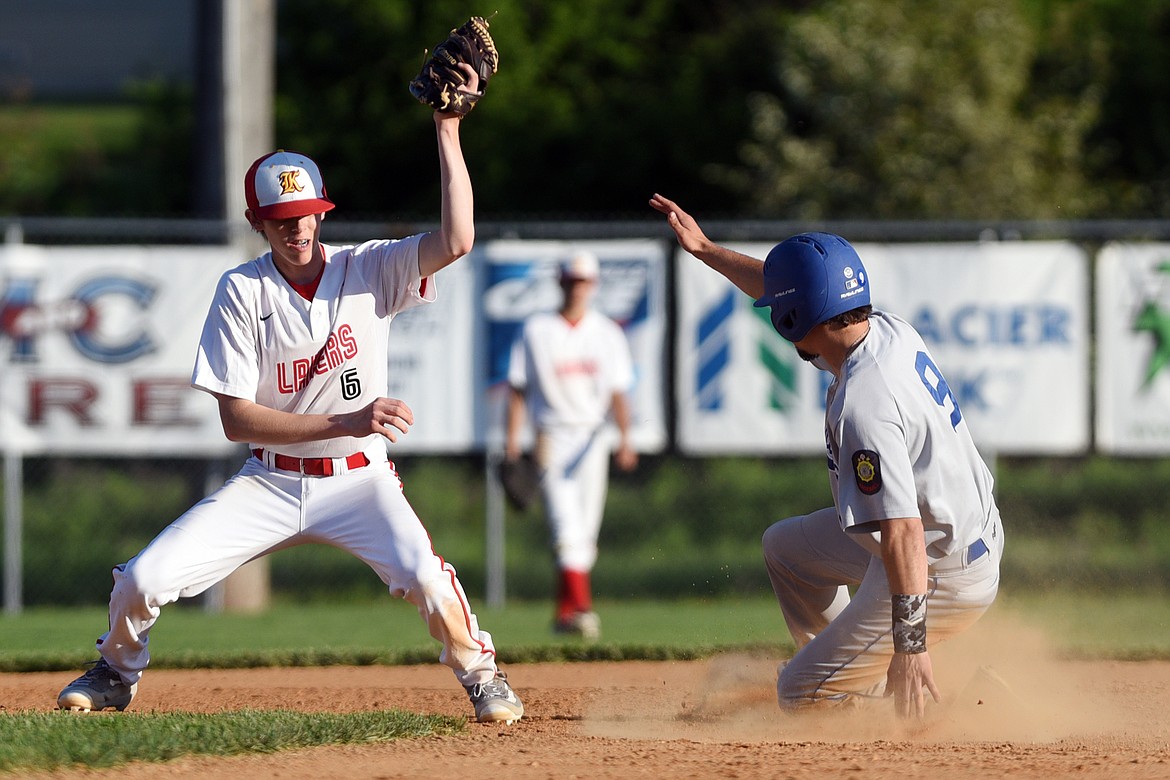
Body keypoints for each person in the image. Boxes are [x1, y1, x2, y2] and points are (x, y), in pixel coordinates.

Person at [56, 72, 524, 725]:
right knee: (144, 578)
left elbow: (458, 240)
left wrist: (447, 132)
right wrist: (349, 416)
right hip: (270, 482)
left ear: (321, 211)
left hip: (360, 481)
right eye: (279, 220)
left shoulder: (368, 269)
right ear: (258, 223)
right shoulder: (241, 292)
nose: (296, 229)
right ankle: (116, 670)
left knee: (424, 574)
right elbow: (235, 420)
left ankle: (481, 673)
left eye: (304, 215)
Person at [650, 193, 1003, 718]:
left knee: (798, 696)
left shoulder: (867, 403)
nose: (775, 311)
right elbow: (797, 293)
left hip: (935, 568)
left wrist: (909, 644)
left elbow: (903, 531)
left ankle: (957, 708)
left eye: (780, 309)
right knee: (786, 549)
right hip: (947, 541)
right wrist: (704, 249)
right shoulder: (880, 329)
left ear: (797, 316)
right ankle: (846, 666)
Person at [503, 251, 639, 639]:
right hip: (551, 435)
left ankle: (565, 615)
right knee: (566, 529)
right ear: (559, 282)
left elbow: (618, 392)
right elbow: (517, 390)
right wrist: (512, 446)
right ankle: (582, 609)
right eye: (570, 280)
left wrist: (625, 439)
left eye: (583, 281)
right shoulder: (537, 330)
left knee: (585, 536)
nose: (577, 288)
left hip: (593, 438)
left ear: (593, 285)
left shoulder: (607, 333)